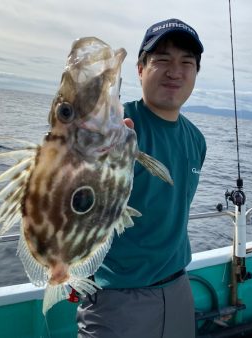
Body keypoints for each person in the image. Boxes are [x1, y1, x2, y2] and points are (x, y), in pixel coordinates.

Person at [77, 18, 206, 338]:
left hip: (178, 287)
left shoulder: (196, 139)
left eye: (186, 62)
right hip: (117, 296)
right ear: (139, 69)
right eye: (162, 60)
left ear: (195, 73)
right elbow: (71, 189)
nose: (175, 71)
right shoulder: (114, 123)